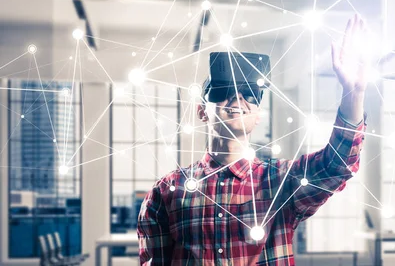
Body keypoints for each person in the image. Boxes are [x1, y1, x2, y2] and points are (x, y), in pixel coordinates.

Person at [138, 15, 368, 265]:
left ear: (258, 116)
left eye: (250, 95)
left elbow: (335, 165)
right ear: (202, 111)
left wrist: (353, 94)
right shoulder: (166, 191)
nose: (237, 98)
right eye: (224, 91)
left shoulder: (281, 182)